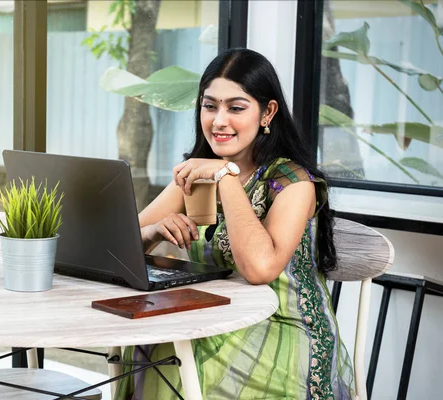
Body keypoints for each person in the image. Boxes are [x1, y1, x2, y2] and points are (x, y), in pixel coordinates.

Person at [114, 48, 355, 399]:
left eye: (236, 108)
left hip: (281, 330)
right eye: (209, 106)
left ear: (267, 112)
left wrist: (225, 177)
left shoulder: (293, 182)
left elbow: (259, 269)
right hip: (211, 318)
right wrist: (152, 232)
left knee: (179, 357)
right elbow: (117, 248)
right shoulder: (196, 173)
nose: (218, 121)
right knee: (156, 342)